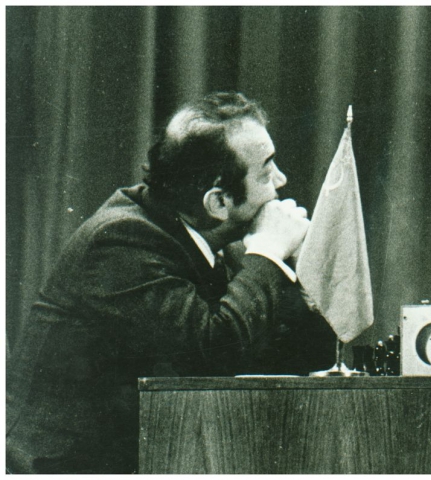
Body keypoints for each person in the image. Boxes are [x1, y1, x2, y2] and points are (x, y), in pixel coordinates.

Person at [6, 92, 336, 474]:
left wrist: (287, 261)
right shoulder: (121, 241)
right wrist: (268, 254)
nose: (282, 179)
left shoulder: (213, 242)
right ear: (218, 202)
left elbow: (310, 355)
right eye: (266, 171)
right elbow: (213, 352)